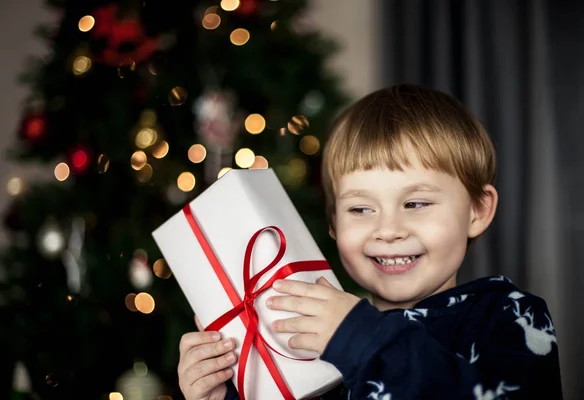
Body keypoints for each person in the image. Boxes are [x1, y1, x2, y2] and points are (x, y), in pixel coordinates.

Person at [177, 84, 563, 399]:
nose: (388, 229)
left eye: (415, 203)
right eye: (360, 210)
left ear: (477, 210)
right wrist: (224, 396)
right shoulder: (320, 341)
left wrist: (362, 340)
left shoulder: (510, 317)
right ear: (333, 223)